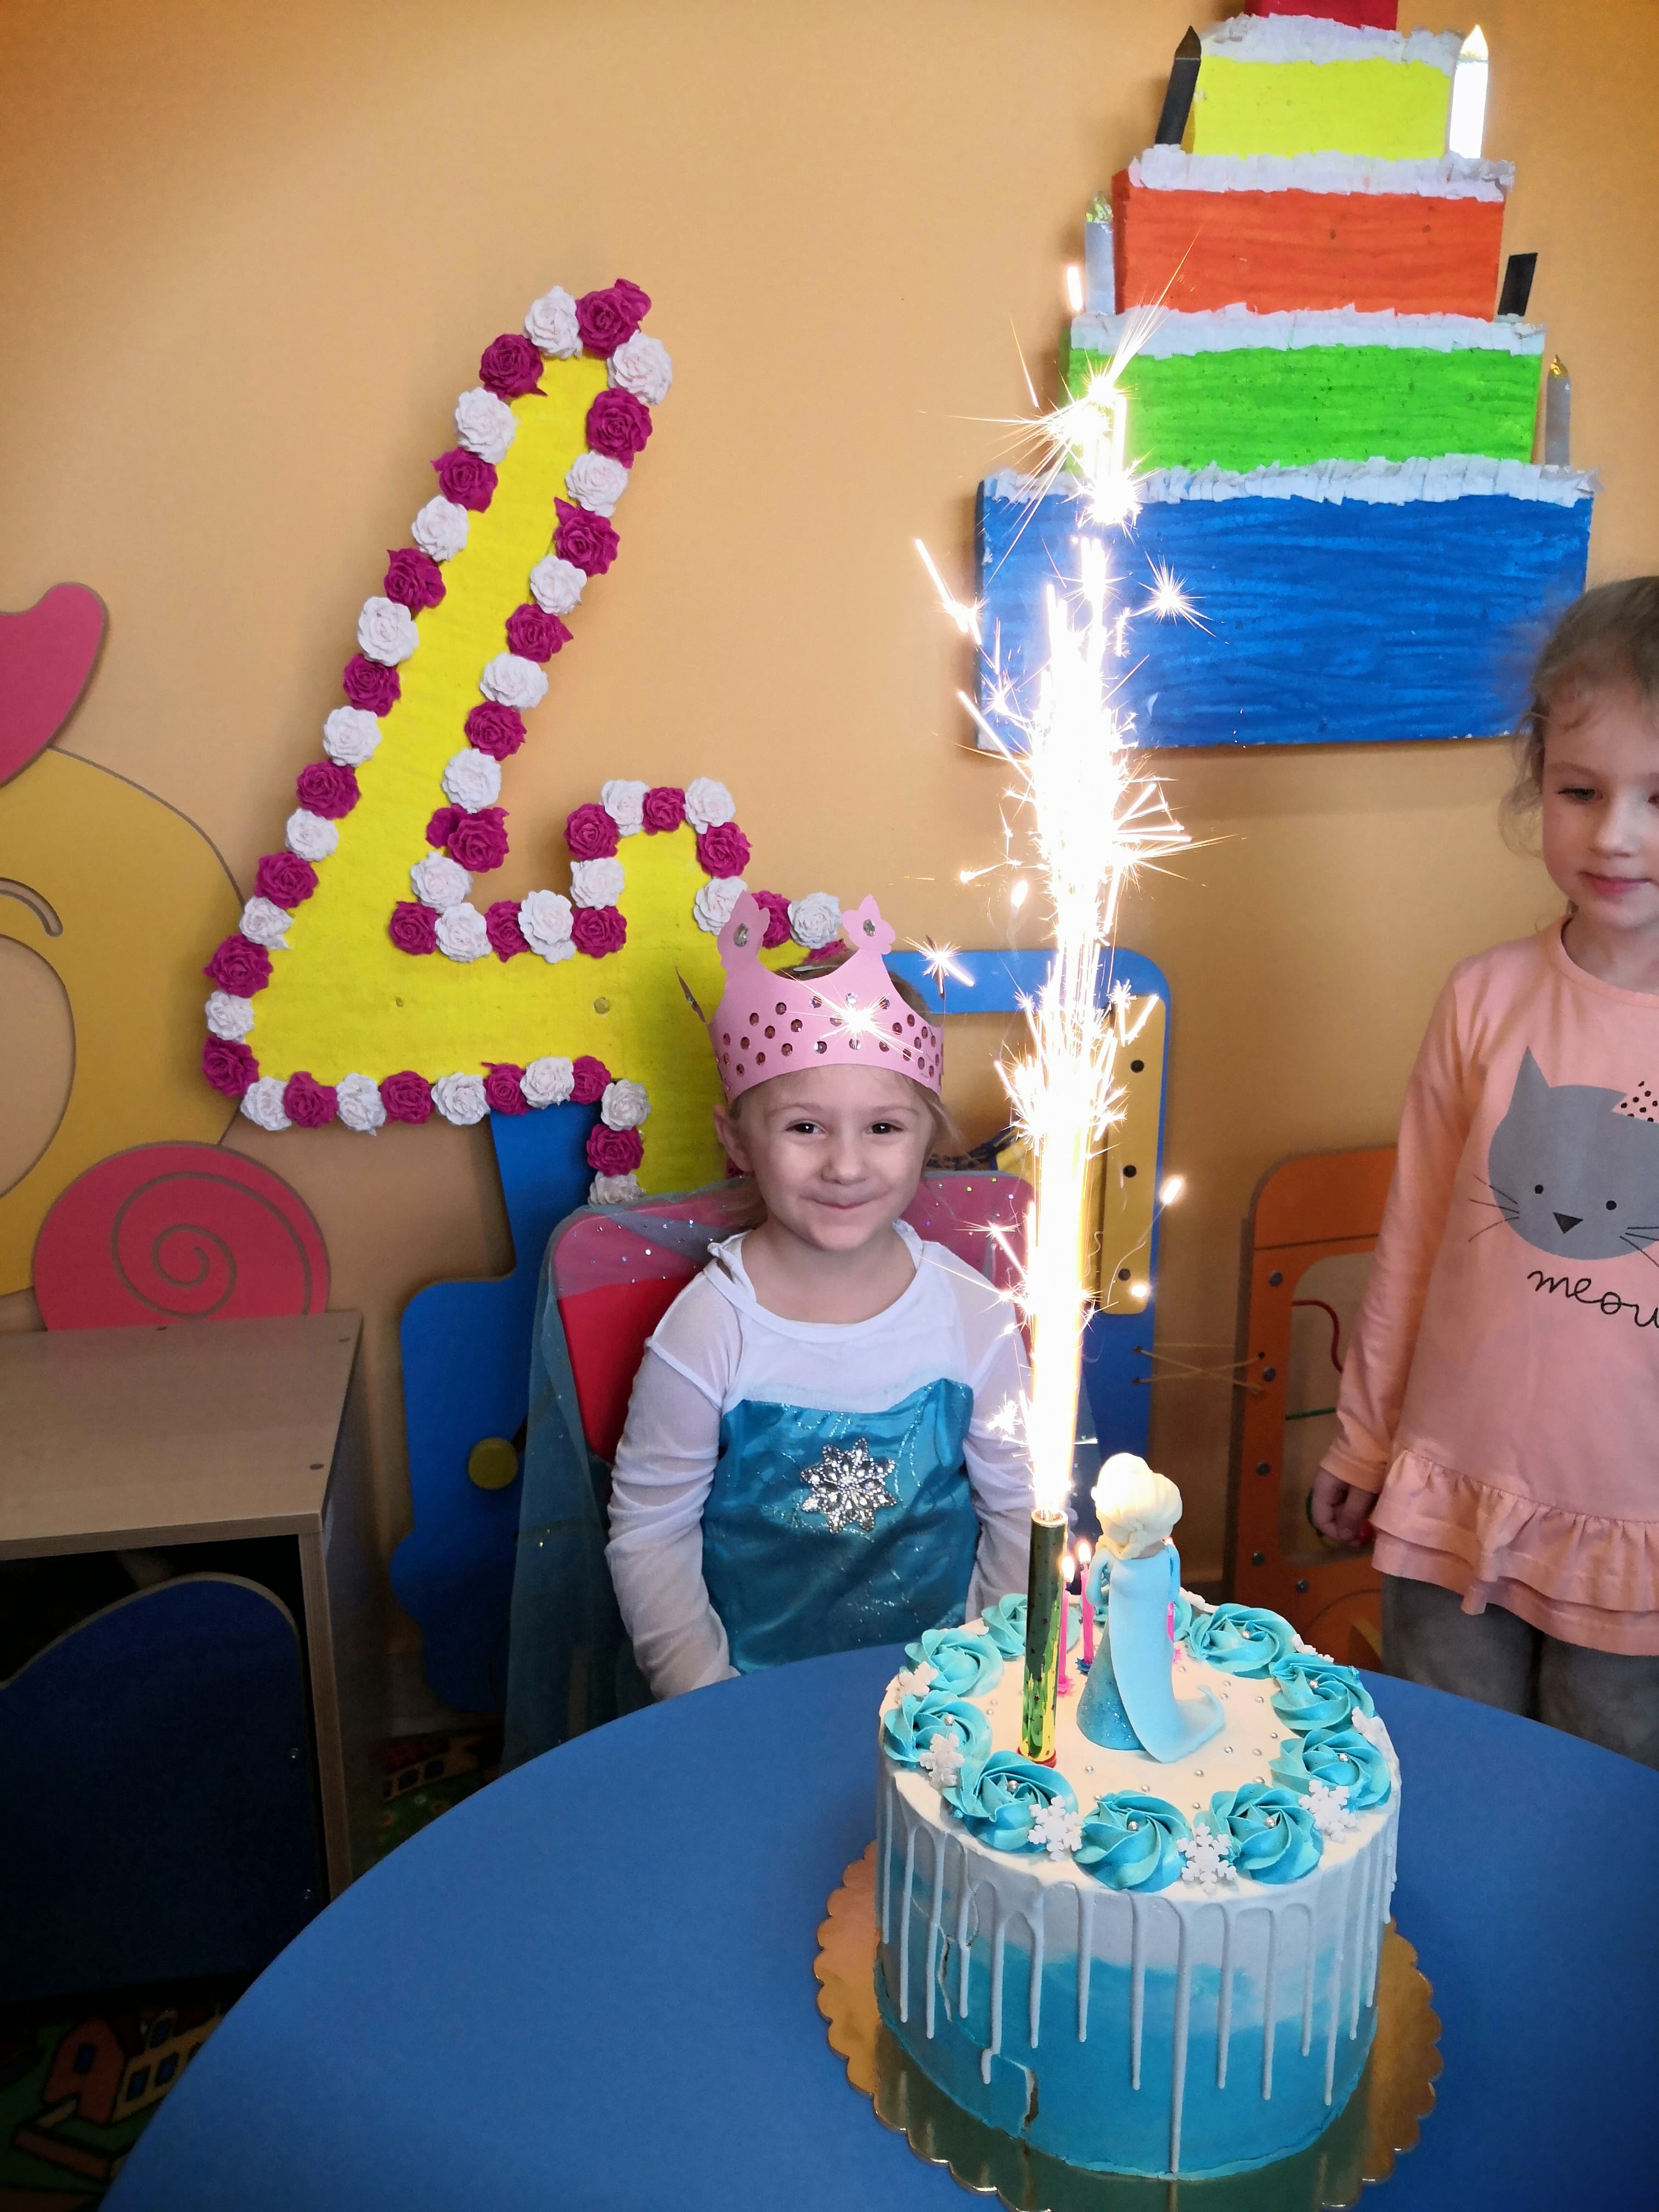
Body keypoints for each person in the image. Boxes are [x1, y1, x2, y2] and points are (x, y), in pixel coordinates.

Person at [1311, 578, 1659, 1767]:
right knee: (1441, 1767)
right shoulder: (1483, 998)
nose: (1614, 836)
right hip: (1454, 1497)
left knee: (1602, 1803)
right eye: (1581, 791)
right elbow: (1411, 1242)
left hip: (1636, 1536)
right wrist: (1365, 1443)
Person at [605, 891, 1033, 1699]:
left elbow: (1019, 1508)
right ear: (737, 1141)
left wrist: (988, 1673)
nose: (845, 1165)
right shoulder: (709, 1328)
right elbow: (650, 1532)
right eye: (805, 1127)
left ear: (928, 1140)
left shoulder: (970, 1311)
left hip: (951, 1699)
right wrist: (707, 1697)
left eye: (883, 1128)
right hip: (752, 1697)